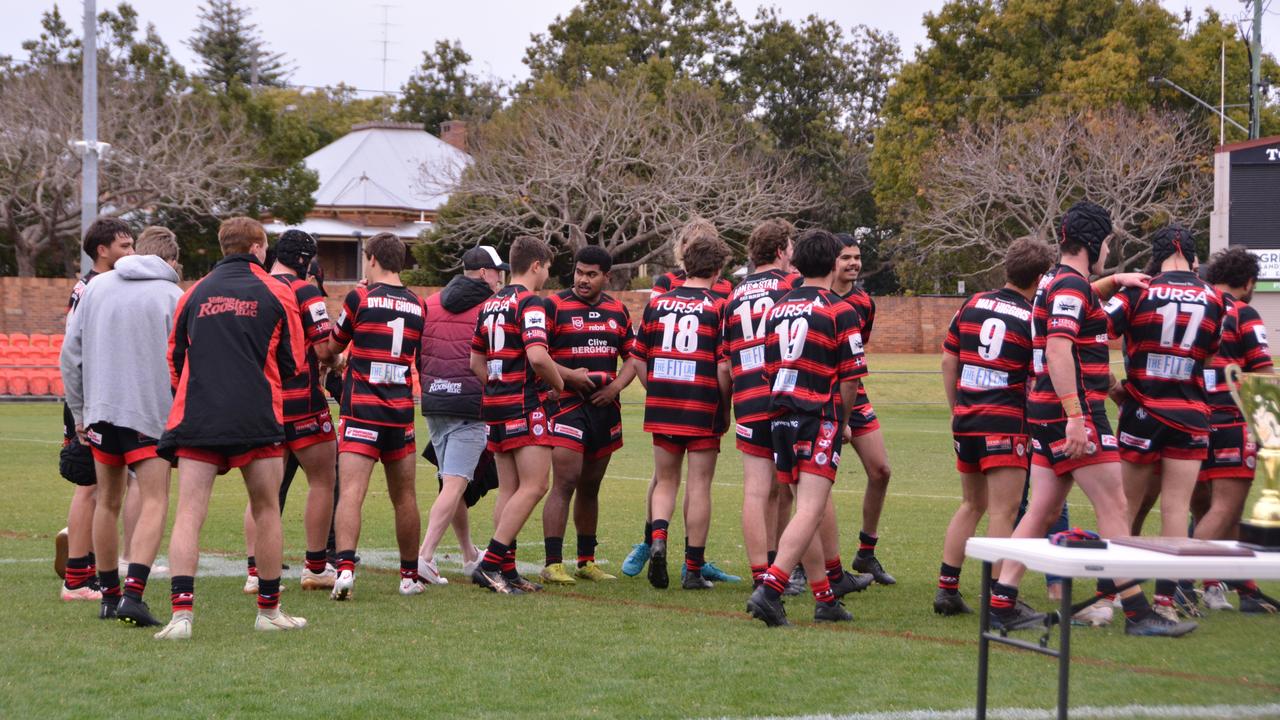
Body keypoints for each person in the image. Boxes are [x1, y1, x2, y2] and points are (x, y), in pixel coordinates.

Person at [987, 201, 1197, 638]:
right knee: (1115, 504)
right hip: (1073, 411)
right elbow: (1058, 349)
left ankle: (1001, 601)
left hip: (1047, 410)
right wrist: (1076, 417)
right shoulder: (1069, 287)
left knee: (1042, 509)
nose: (1108, 250)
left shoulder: (1059, 281)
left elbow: (1078, 299)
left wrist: (1116, 280)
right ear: (1091, 243)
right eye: (1106, 243)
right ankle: (1138, 612)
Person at [154, 217, 307, 640]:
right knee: (266, 509)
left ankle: (181, 617)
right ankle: (269, 610)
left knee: (189, 512)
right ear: (258, 247)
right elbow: (295, 361)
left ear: (223, 247)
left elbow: (174, 359)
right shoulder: (278, 291)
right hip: (256, 414)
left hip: (198, 414)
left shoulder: (193, 294)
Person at [60, 226, 182, 626]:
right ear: (170, 262)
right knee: (154, 500)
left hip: (101, 412)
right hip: (149, 414)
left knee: (106, 501)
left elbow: (70, 353)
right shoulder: (171, 295)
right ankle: (133, 594)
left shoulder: (96, 288)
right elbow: (183, 362)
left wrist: (80, 412)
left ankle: (108, 596)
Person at [1105, 225, 1224, 621]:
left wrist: (1111, 386)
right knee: (1176, 508)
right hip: (1190, 412)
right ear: (1192, 256)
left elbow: (1095, 331)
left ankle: (1111, 598)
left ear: (1157, 254)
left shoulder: (1138, 289)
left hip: (1141, 410)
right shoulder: (1214, 297)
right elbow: (1208, 356)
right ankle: (1166, 602)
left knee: (1125, 507)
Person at [746, 229, 865, 626]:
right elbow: (850, 379)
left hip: (779, 414)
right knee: (812, 508)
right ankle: (771, 588)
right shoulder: (840, 310)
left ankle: (824, 597)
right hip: (817, 415)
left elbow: (768, 367)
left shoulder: (775, 308)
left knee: (803, 509)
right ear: (834, 264)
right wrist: (843, 422)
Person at [934, 238, 1055, 616]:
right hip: (1005, 422)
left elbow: (948, 360)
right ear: (1040, 277)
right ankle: (1002, 597)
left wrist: (958, 409)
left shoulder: (971, 304)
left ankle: (947, 590)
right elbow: (1038, 377)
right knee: (1005, 511)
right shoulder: (1032, 317)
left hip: (967, 419)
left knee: (972, 504)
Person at [622, 233, 740, 585]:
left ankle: (658, 539)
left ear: (684, 265)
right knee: (700, 484)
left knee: (666, 480)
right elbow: (723, 367)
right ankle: (692, 568)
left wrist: (656, 388)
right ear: (718, 270)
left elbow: (638, 358)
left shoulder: (657, 305)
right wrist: (724, 403)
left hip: (664, 405)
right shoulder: (719, 307)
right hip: (701, 406)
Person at [328, 232, 428, 600]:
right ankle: (409, 577)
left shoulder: (360, 297)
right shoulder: (420, 305)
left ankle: (345, 571)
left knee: (351, 493)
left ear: (371, 259)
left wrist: (335, 360)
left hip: (362, 410)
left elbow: (333, 346)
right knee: (404, 497)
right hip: (400, 412)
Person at [241, 229, 340, 594]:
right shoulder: (305, 291)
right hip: (301, 399)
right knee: (322, 480)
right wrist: (339, 359)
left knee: (262, 492)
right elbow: (324, 348)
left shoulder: (253, 287)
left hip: (262, 400)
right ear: (305, 260)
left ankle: (255, 570)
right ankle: (315, 565)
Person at [470, 235, 565, 594]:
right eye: (547, 270)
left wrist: (498, 383)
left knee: (509, 489)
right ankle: (491, 563)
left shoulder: (489, 303)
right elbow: (539, 357)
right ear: (537, 265)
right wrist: (558, 386)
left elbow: (475, 362)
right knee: (536, 485)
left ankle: (505, 570)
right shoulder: (531, 303)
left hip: (495, 403)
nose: (546, 278)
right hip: (524, 404)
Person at [539, 246, 636, 584]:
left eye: (591, 274)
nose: (583, 279)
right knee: (564, 483)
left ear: (606, 277)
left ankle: (586, 561)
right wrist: (569, 376)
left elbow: (634, 359)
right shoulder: (554, 305)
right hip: (567, 406)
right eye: (579, 272)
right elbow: (537, 355)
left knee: (591, 487)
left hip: (605, 410)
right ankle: (553, 563)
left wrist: (615, 389)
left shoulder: (618, 310)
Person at [54, 217, 136, 601]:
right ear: (102, 250)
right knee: (90, 487)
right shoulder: (86, 289)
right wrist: (81, 411)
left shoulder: (107, 286)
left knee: (103, 489)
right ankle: (75, 578)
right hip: (89, 400)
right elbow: (73, 351)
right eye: (124, 246)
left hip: (104, 398)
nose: (131, 253)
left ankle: (86, 568)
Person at [1194, 247, 1279, 613]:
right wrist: (1271, 435)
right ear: (1248, 283)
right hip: (1228, 417)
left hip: (1188, 416)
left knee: (1205, 507)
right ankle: (1176, 583)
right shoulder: (1245, 313)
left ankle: (1236, 585)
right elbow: (1261, 374)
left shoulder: (1195, 303)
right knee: (1228, 508)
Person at [415, 245, 506, 583]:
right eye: (497, 271)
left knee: (451, 481)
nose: (500, 278)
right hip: (470, 403)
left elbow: (420, 350)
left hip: (435, 401)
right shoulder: (491, 306)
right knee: (455, 483)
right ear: (484, 272)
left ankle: (468, 554)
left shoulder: (433, 301)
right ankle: (423, 556)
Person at [724, 219, 802, 585]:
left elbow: (726, 360)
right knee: (803, 488)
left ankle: (762, 571)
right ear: (780, 251)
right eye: (790, 247)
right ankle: (807, 571)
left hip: (748, 398)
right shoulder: (793, 286)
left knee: (757, 490)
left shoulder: (734, 295)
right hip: (788, 396)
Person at [830, 233, 895, 585]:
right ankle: (800, 559)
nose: (853, 263)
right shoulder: (814, 295)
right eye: (846, 258)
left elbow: (856, 353)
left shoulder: (863, 303)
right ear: (831, 262)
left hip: (854, 393)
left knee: (881, 470)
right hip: (819, 396)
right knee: (811, 483)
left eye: (857, 257)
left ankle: (865, 553)